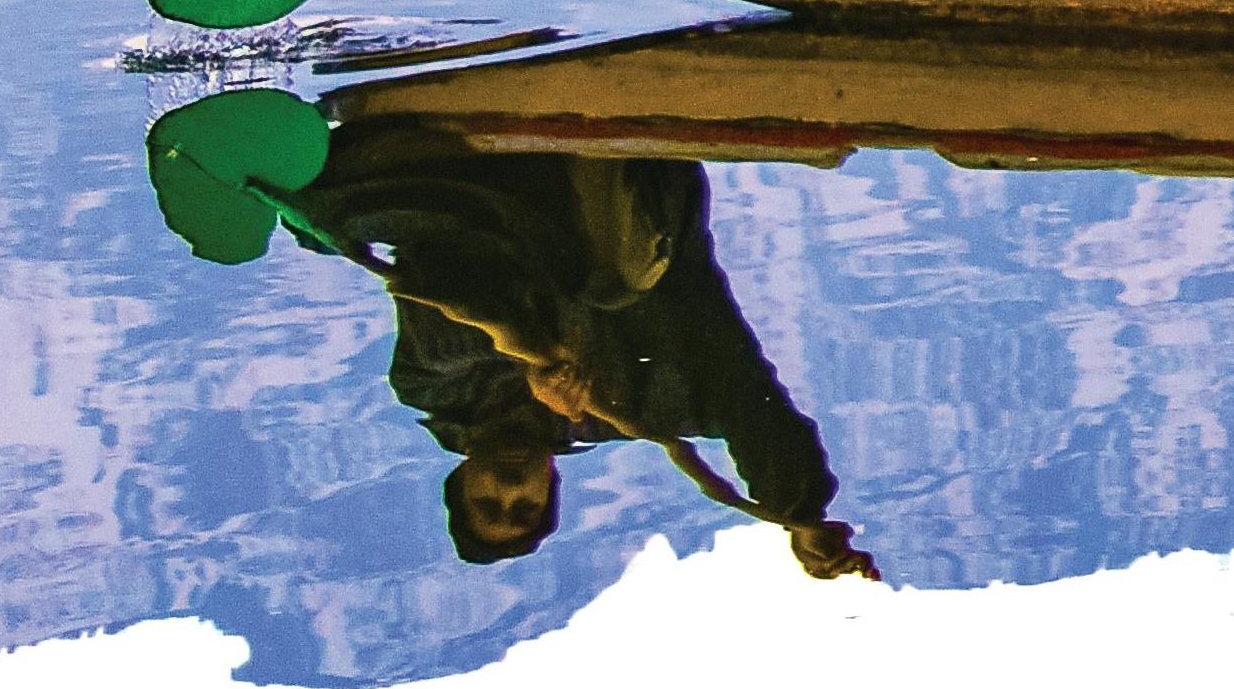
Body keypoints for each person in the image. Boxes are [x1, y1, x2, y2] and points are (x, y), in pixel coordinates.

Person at [289, 113, 878, 580]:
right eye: (524, 505)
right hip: (621, 187)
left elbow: (451, 297)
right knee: (617, 283)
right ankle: (602, 128)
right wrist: (798, 510)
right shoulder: (636, 411)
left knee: (312, 219)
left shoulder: (429, 385)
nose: (510, 489)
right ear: (550, 485)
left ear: (461, 480)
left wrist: (537, 360)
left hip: (472, 192)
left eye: (489, 503)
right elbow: (749, 406)